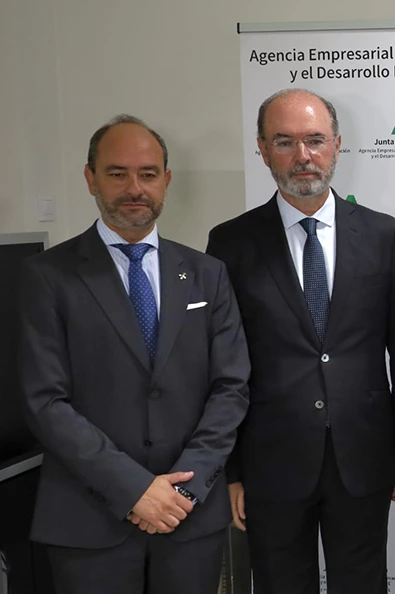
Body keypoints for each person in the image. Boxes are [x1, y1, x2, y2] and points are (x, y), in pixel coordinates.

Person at [17, 115, 250, 594]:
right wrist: (135, 490)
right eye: (117, 173)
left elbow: (231, 388)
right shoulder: (47, 276)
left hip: (189, 518)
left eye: (147, 174)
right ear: (90, 178)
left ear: (166, 180)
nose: (134, 188)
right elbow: (45, 402)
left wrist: (182, 489)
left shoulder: (207, 273)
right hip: (89, 521)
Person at [205, 89, 395, 594]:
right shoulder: (230, 243)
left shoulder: (383, 235)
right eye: (285, 141)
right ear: (261, 148)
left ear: (337, 145)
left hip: (364, 456)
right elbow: (221, 366)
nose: (303, 156)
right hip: (269, 461)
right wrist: (231, 470)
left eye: (314, 140)